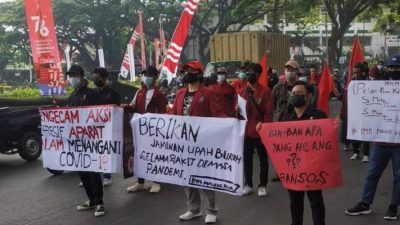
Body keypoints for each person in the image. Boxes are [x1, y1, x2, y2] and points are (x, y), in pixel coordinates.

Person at [345, 55, 400, 220]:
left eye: (397, 67)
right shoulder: (376, 86)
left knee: (399, 176)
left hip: (398, 143)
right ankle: (365, 203)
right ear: (386, 68)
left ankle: (393, 206)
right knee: (372, 173)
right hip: (379, 141)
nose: (394, 70)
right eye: (391, 67)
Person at [170, 60, 224, 224]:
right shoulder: (180, 93)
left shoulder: (208, 93)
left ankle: (211, 210)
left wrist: (230, 124)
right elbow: (173, 114)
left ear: (199, 74)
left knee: (204, 177)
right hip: (183, 143)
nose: (187, 74)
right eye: (186, 71)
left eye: (191, 71)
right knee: (186, 177)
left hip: (202, 144)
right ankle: (194, 209)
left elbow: (218, 115)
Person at [266, 80, 327, 225]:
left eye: (300, 93)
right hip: (293, 170)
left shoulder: (319, 116)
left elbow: (326, 139)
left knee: (316, 201)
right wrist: (262, 130)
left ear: (309, 96)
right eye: (293, 93)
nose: (296, 96)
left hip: (313, 168)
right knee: (295, 202)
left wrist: (334, 127)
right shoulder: (286, 117)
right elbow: (278, 139)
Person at [66, 65, 105, 217]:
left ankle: (100, 202)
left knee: (93, 171)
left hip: (91, 139)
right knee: (82, 172)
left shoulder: (92, 94)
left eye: (74, 75)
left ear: (82, 76)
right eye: (70, 76)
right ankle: (91, 200)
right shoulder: (72, 96)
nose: (72, 78)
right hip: (77, 141)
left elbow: (101, 114)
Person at [125, 65, 167, 193]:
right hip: (140, 130)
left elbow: (163, 113)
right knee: (139, 155)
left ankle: (156, 182)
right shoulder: (139, 92)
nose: (146, 77)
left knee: (154, 155)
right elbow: (134, 107)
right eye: (145, 75)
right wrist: (125, 107)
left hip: (153, 130)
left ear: (156, 78)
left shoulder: (158, 94)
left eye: (149, 75)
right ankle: (140, 182)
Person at [238, 63, 273, 196]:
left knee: (263, 159)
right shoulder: (242, 92)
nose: (249, 74)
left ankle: (263, 185)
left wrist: (266, 129)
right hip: (246, 132)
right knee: (247, 159)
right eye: (247, 71)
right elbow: (239, 115)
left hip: (260, 131)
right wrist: (236, 112)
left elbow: (269, 113)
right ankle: (248, 184)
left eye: (252, 72)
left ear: (258, 75)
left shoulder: (265, 92)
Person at [270, 59, 300, 182]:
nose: (289, 72)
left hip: (296, 125)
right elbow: (272, 106)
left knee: (295, 150)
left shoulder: (301, 88)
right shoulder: (277, 88)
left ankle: (294, 172)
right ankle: (280, 173)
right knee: (280, 151)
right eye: (287, 70)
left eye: (292, 70)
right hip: (280, 125)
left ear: (297, 71)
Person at [92, 67, 121, 186]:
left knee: (105, 152)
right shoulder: (92, 93)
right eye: (93, 78)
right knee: (94, 151)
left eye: (97, 78)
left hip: (108, 128)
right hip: (94, 128)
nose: (95, 80)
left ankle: (107, 176)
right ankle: (93, 176)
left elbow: (117, 111)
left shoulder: (113, 93)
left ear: (104, 78)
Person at [340, 63, 369, 162]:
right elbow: (344, 98)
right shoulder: (350, 83)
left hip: (365, 113)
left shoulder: (368, 83)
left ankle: (366, 154)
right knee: (354, 133)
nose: (355, 74)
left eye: (357, 72)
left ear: (362, 72)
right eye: (354, 72)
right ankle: (356, 152)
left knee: (365, 134)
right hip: (352, 113)